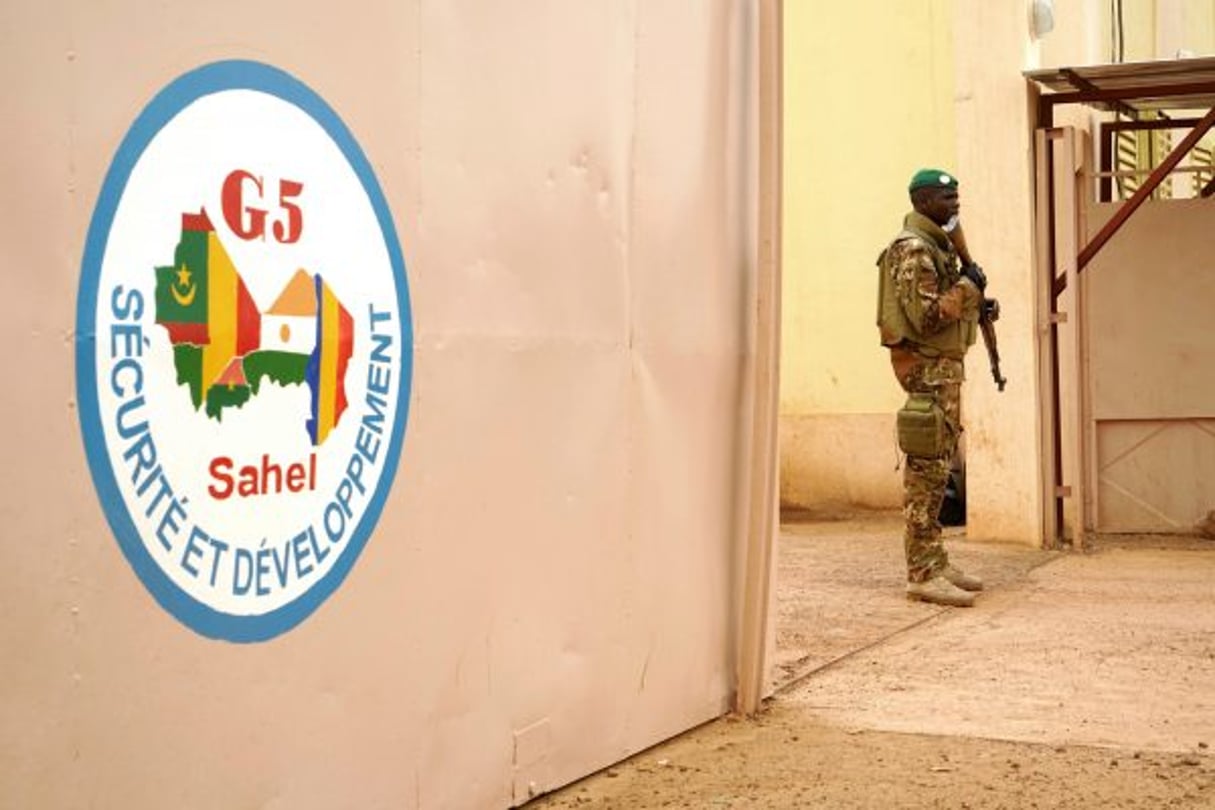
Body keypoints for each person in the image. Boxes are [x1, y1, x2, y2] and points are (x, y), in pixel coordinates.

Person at [876, 168, 986, 607]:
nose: (955, 203)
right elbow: (926, 317)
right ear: (923, 202)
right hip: (925, 371)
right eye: (946, 197)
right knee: (925, 473)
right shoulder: (914, 249)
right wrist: (967, 287)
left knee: (939, 470)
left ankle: (935, 560)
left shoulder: (936, 247)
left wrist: (974, 297)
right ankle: (921, 573)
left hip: (942, 371)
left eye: (957, 196)